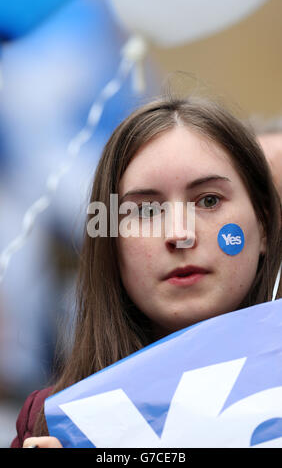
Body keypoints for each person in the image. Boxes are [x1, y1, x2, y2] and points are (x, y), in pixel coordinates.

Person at [11, 95, 282, 448]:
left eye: (209, 200)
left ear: (263, 224)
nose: (179, 234)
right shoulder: (54, 424)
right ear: (110, 243)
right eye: (146, 211)